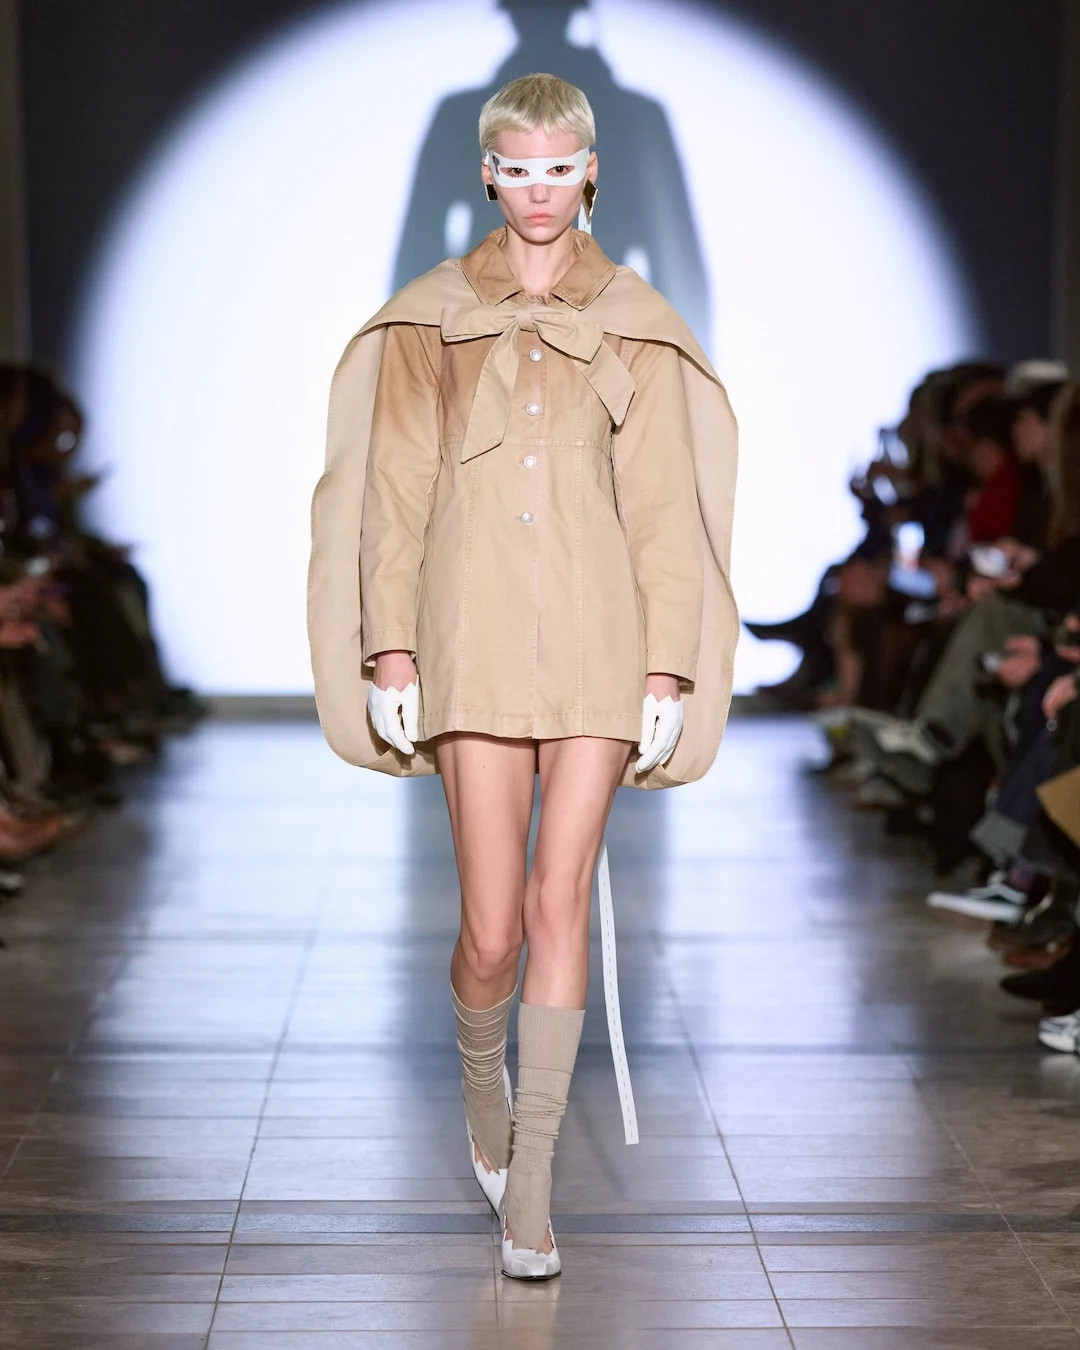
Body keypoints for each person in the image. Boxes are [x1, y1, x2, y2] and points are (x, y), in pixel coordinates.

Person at [307, 74, 738, 1280]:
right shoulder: (430, 321)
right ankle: (479, 1084)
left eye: (559, 168)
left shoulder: (637, 322)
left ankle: (534, 1186)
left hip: (601, 637)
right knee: (491, 930)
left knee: (559, 904)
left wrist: (667, 663)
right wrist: (389, 643)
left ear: (590, 171)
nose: (539, 190)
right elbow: (394, 489)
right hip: (470, 627)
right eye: (518, 168)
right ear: (487, 174)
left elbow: (664, 504)